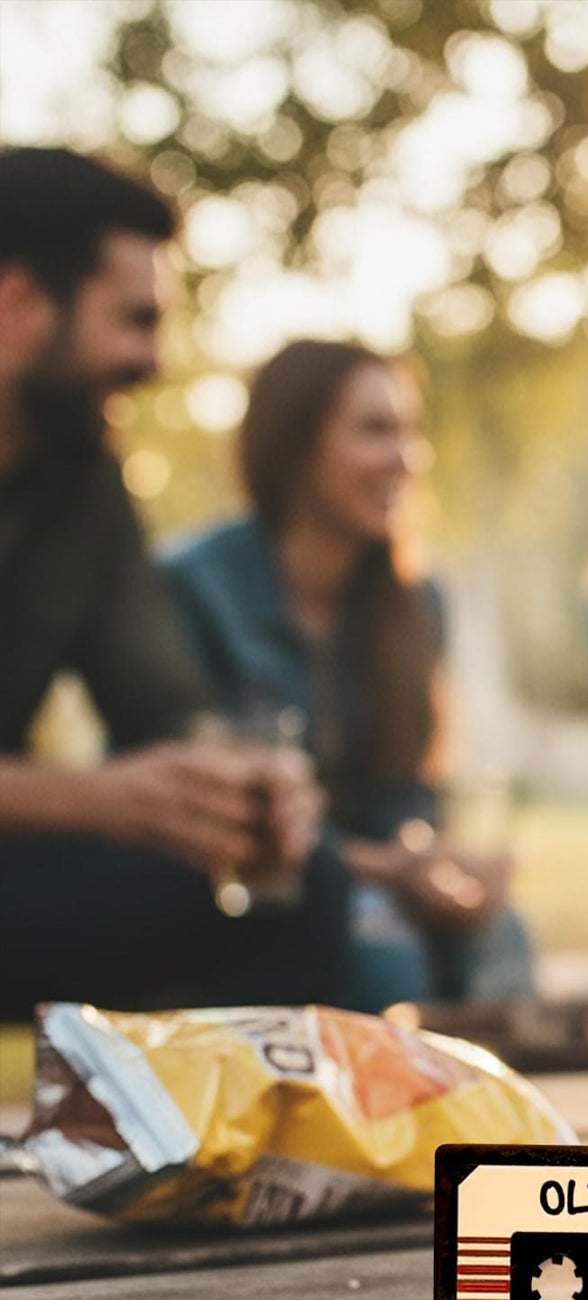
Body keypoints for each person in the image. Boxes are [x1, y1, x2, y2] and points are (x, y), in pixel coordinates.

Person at [0, 147, 343, 1019]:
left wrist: (236, 782)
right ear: (17, 304)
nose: (155, 359)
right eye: (134, 319)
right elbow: (98, 793)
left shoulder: (83, 488)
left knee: (299, 882)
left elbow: (161, 700)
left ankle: (223, 1149)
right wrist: (87, 797)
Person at [163, 340, 532, 1011]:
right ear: (298, 446)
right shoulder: (194, 587)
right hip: (243, 894)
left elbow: (406, 801)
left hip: (375, 881)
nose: (406, 458)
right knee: (380, 947)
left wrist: (444, 862)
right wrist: (394, 870)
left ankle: (493, 1117)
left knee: (502, 933)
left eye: (410, 433)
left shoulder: (415, 603)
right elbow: (217, 813)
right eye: (375, 431)